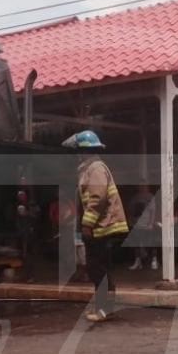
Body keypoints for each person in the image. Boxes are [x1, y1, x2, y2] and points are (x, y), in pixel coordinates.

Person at [62, 130, 129, 322]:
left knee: (96, 268)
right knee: (99, 268)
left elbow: (97, 198)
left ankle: (104, 309)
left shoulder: (95, 169)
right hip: (100, 227)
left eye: (76, 151)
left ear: (82, 150)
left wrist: (87, 225)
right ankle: (104, 308)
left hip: (101, 228)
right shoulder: (90, 168)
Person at [128, 183, 157, 271]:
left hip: (146, 224)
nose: (141, 187)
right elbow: (130, 211)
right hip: (136, 224)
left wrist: (151, 223)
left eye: (143, 185)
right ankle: (138, 262)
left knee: (149, 243)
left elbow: (153, 211)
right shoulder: (134, 198)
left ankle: (154, 260)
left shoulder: (150, 196)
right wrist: (130, 221)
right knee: (136, 244)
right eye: (140, 185)